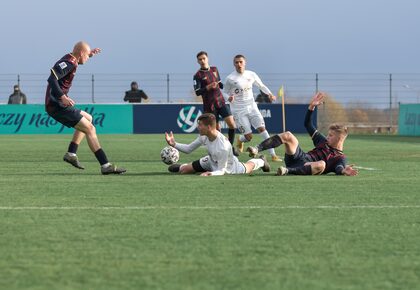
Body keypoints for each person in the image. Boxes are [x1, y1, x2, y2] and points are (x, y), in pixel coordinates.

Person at [45, 41, 126, 175]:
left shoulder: (72, 58)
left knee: (89, 118)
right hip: (57, 105)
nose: (88, 58)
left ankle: (71, 153)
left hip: (57, 104)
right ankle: (105, 165)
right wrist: (62, 96)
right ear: (81, 53)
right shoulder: (69, 63)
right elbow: (51, 79)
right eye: (87, 55)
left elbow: (76, 59)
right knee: (90, 128)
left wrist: (90, 54)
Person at [246, 92, 359, 176]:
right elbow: (308, 125)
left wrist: (344, 171)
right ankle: (257, 149)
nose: (327, 137)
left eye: (331, 135)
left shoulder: (340, 158)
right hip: (300, 158)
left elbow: (339, 168)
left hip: (307, 167)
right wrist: (311, 107)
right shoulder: (323, 141)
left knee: (322, 165)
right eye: (328, 134)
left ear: (339, 138)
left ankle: (287, 171)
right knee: (288, 135)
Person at [165, 113, 270, 176]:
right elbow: (188, 149)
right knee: (183, 171)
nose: (198, 127)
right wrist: (174, 144)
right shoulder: (203, 136)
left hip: (230, 167)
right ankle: (186, 166)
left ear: (209, 127)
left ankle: (261, 161)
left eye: (200, 125)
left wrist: (210, 173)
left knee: (249, 167)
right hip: (211, 160)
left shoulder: (223, 146)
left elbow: (221, 171)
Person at [224, 54, 281, 162]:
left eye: (241, 62)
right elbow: (224, 93)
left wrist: (269, 94)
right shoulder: (230, 78)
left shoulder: (251, 74)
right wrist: (229, 97)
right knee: (248, 137)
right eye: (236, 62)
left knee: (262, 129)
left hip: (252, 107)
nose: (239, 64)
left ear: (245, 63)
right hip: (239, 111)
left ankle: (273, 155)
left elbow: (261, 86)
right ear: (234, 64)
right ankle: (240, 139)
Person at [193, 51, 239, 156]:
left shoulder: (214, 69)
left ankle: (230, 148)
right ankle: (219, 150)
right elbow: (197, 92)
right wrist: (208, 87)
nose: (202, 61)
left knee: (232, 125)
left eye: (204, 58)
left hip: (221, 101)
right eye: (200, 59)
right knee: (216, 130)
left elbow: (220, 84)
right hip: (209, 105)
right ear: (197, 61)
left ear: (207, 58)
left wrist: (230, 92)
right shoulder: (197, 75)